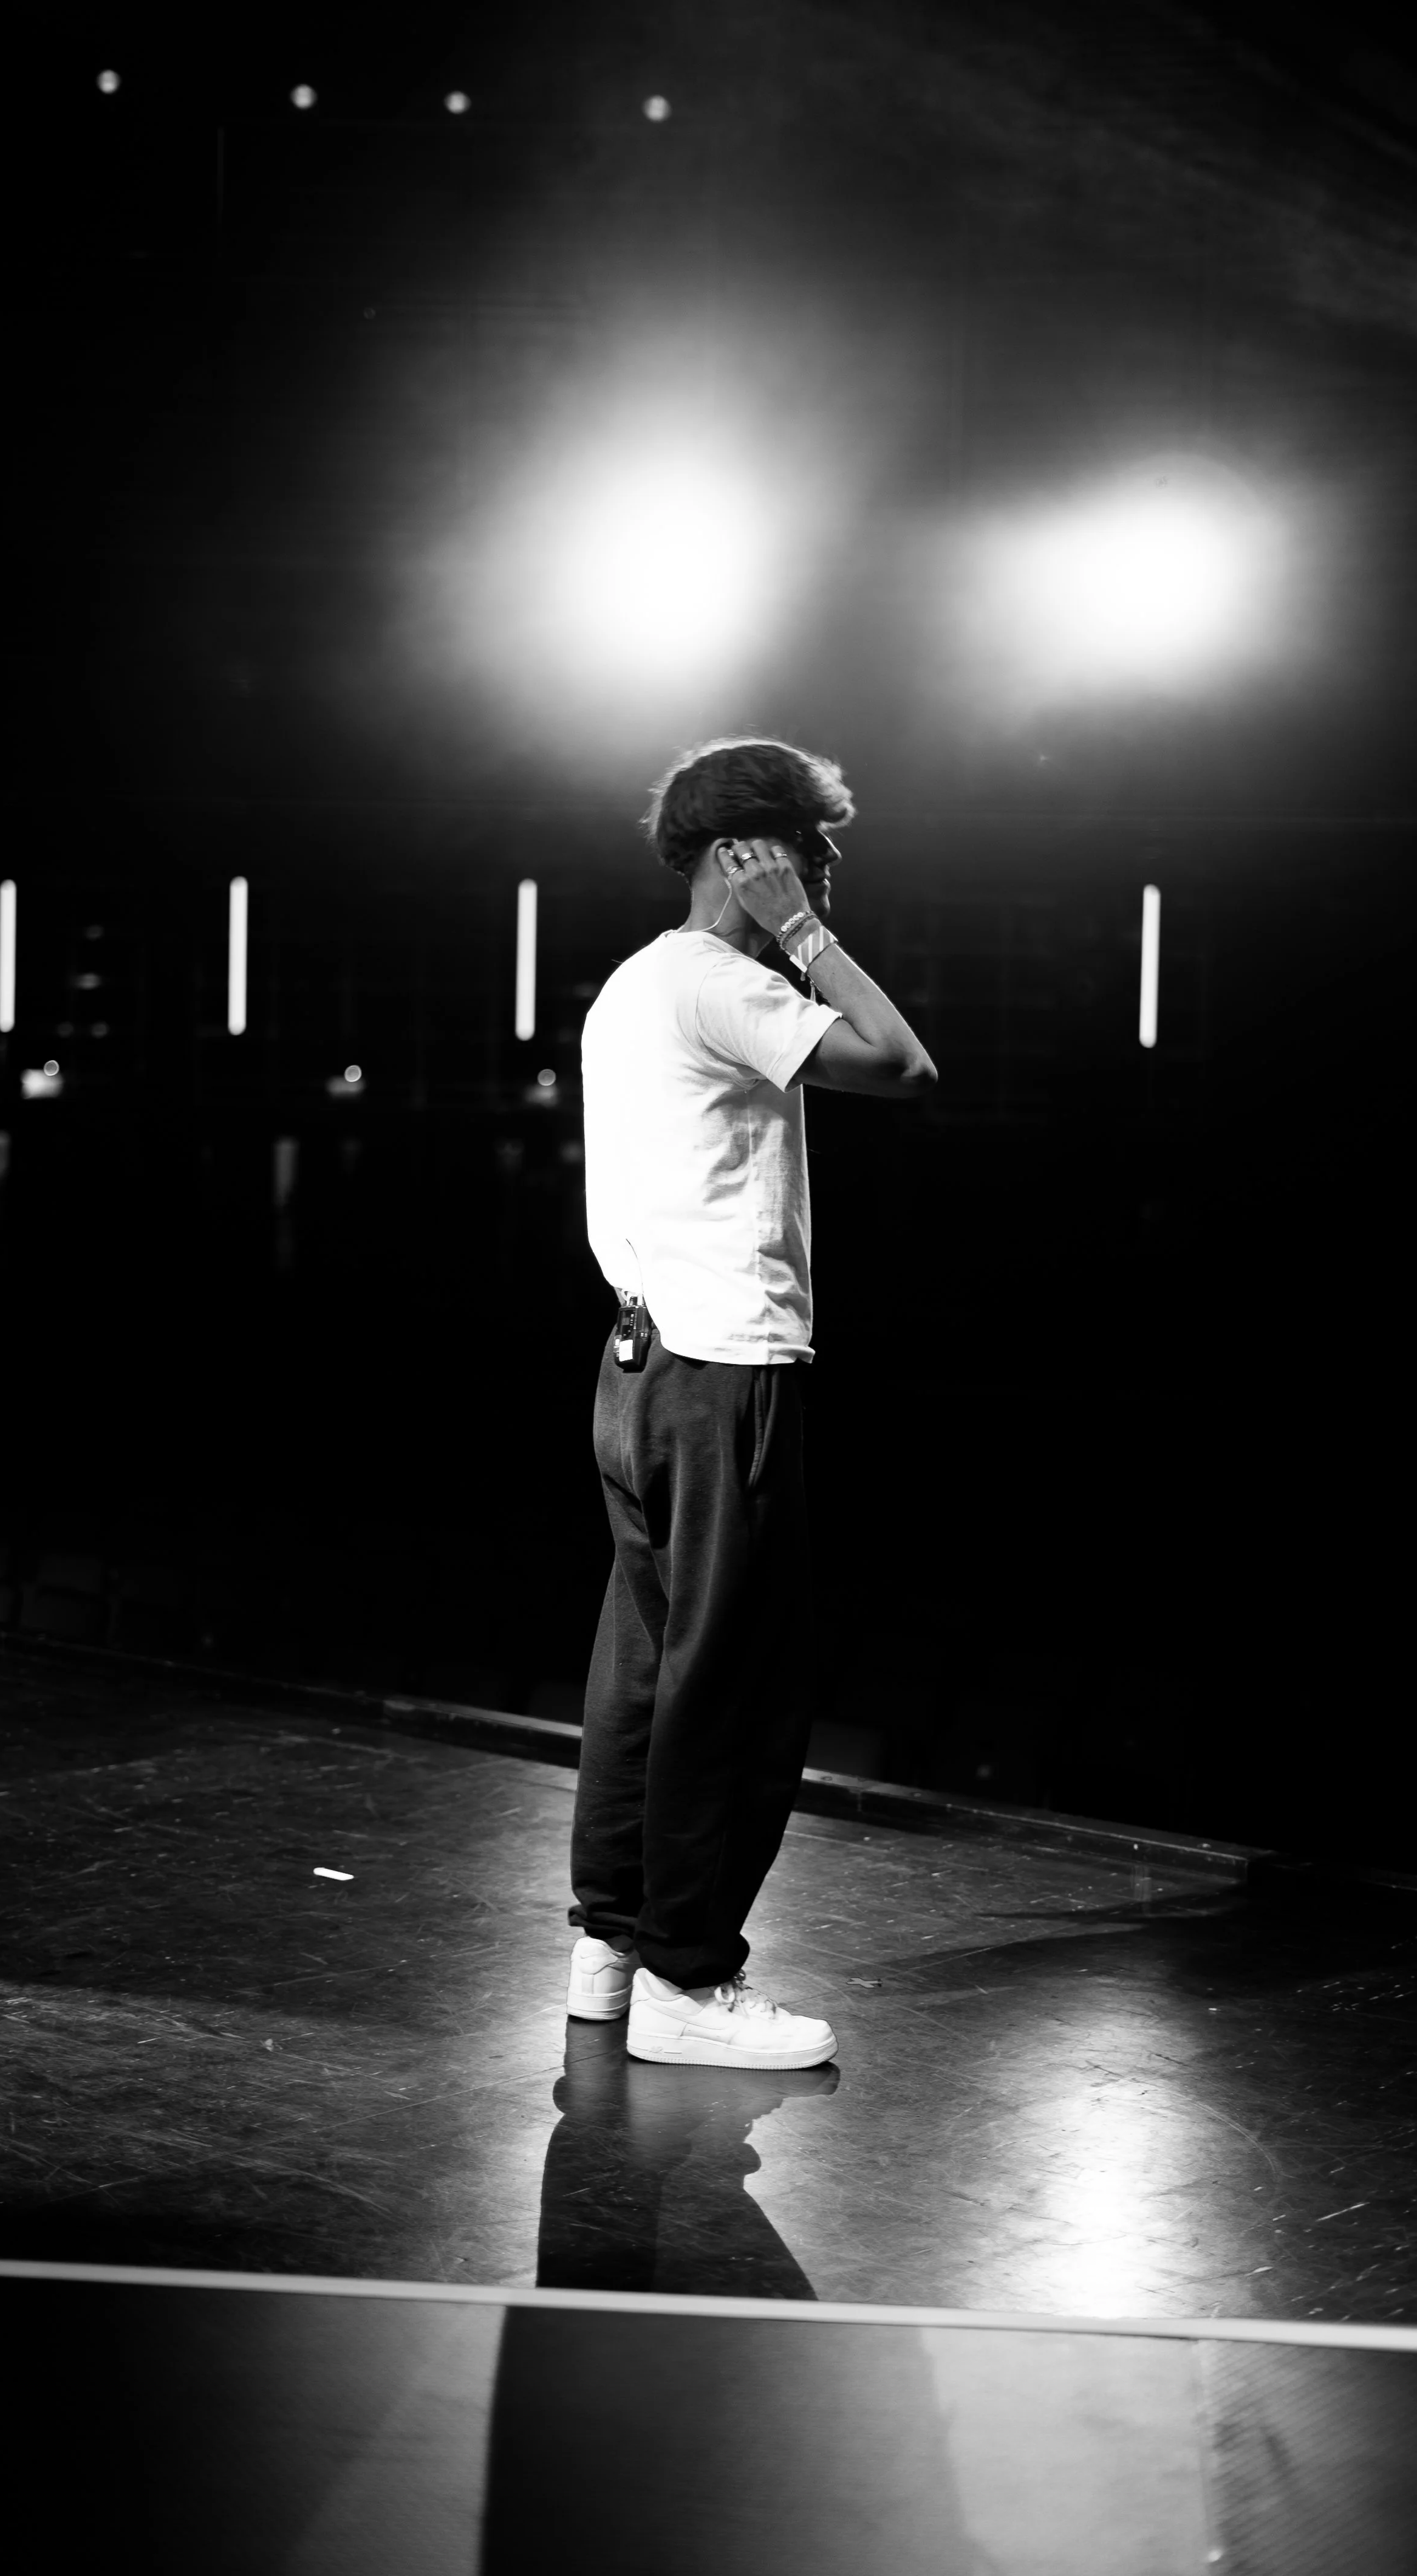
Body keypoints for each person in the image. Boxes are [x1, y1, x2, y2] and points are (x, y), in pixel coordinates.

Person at [567, 736, 937, 2070]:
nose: (826, 866)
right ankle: (688, 1977)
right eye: (808, 845)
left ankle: (613, 1947)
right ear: (745, 853)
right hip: (723, 1374)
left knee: (646, 1675)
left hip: (640, 1368)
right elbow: (902, 1063)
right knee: (736, 1685)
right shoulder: (726, 981)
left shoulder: (638, 980)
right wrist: (804, 935)